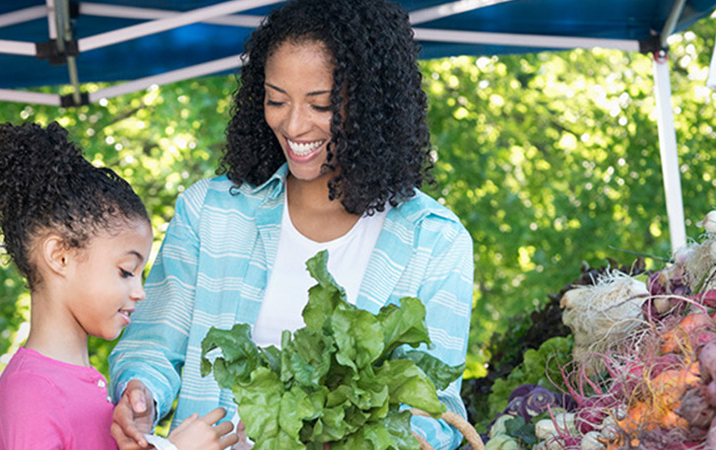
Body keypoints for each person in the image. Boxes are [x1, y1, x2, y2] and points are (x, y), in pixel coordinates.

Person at [104, 0, 477, 449]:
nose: (294, 125)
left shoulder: (435, 241)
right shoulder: (209, 212)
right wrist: (140, 393)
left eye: (320, 105)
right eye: (276, 99)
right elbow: (149, 346)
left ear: (373, 106)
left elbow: (438, 408)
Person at [0, 123, 240, 450]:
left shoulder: (90, 389)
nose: (140, 292)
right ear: (60, 257)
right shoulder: (30, 390)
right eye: (126, 271)